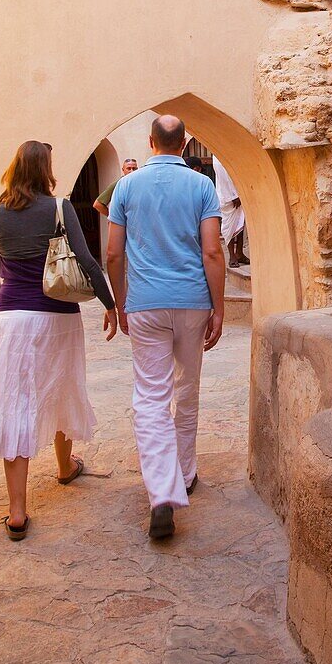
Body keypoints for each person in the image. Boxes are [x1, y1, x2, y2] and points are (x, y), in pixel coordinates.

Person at [0, 141, 117, 540]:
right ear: (45, 170)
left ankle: (18, 511)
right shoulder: (58, 208)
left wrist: (5, 297)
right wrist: (110, 305)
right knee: (60, 389)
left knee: (13, 403)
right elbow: (87, 261)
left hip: (10, 319)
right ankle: (63, 468)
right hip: (56, 317)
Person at [106, 115, 225, 540]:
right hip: (192, 300)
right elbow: (212, 252)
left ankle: (163, 491)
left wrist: (120, 302)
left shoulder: (126, 186)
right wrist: (218, 306)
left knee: (151, 397)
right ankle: (186, 472)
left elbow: (114, 255)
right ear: (184, 142)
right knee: (186, 388)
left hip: (146, 304)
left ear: (151, 141)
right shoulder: (201, 186)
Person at [212, 155, 249, 268]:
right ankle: (232, 256)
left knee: (241, 222)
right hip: (227, 196)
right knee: (229, 226)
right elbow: (224, 178)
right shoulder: (217, 157)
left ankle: (239, 253)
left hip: (238, 192)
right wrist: (233, 196)